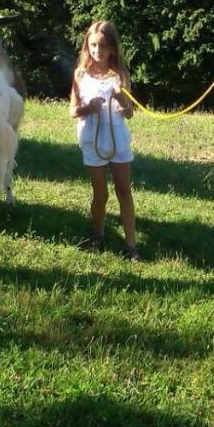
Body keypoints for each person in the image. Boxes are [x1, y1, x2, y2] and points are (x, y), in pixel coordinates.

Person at [69, 20, 139, 261]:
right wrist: (88, 108)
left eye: (103, 46)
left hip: (117, 139)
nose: (97, 51)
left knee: (123, 190)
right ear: (87, 47)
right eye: (93, 46)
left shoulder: (120, 74)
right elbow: (73, 111)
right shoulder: (80, 74)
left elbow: (129, 113)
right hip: (91, 139)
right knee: (100, 194)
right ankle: (97, 236)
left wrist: (120, 97)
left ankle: (131, 245)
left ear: (112, 48)